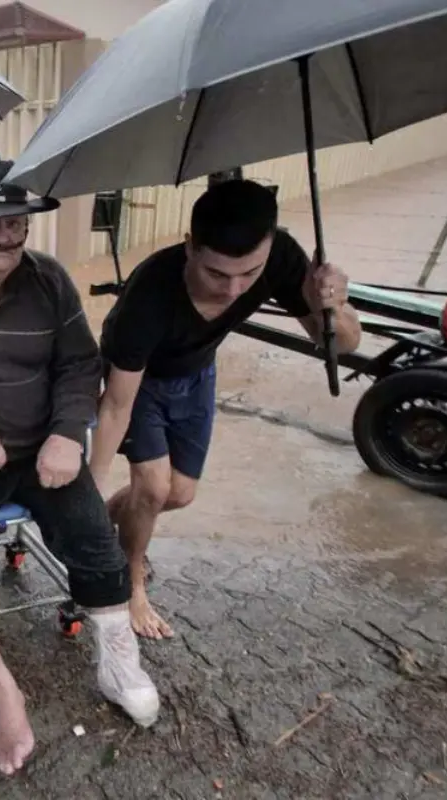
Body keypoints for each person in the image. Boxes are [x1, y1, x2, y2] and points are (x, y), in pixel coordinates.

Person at [0, 159, 160, 777]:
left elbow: (79, 366)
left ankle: (117, 660)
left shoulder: (49, 280)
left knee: (94, 538)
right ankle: (5, 692)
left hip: (39, 453)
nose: (4, 237)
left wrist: (64, 434)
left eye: (14, 224)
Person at [89, 179, 362, 639]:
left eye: (249, 274)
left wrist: (333, 306)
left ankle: (124, 521)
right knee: (153, 489)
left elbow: (344, 345)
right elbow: (116, 406)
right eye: (217, 274)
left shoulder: (282, 257)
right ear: (190, 246)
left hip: (198, 374)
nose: (234, 289)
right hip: (142, 381)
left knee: (179, 494)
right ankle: (131, 583)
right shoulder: (148, 297)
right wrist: (89, 489)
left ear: (271, 247)